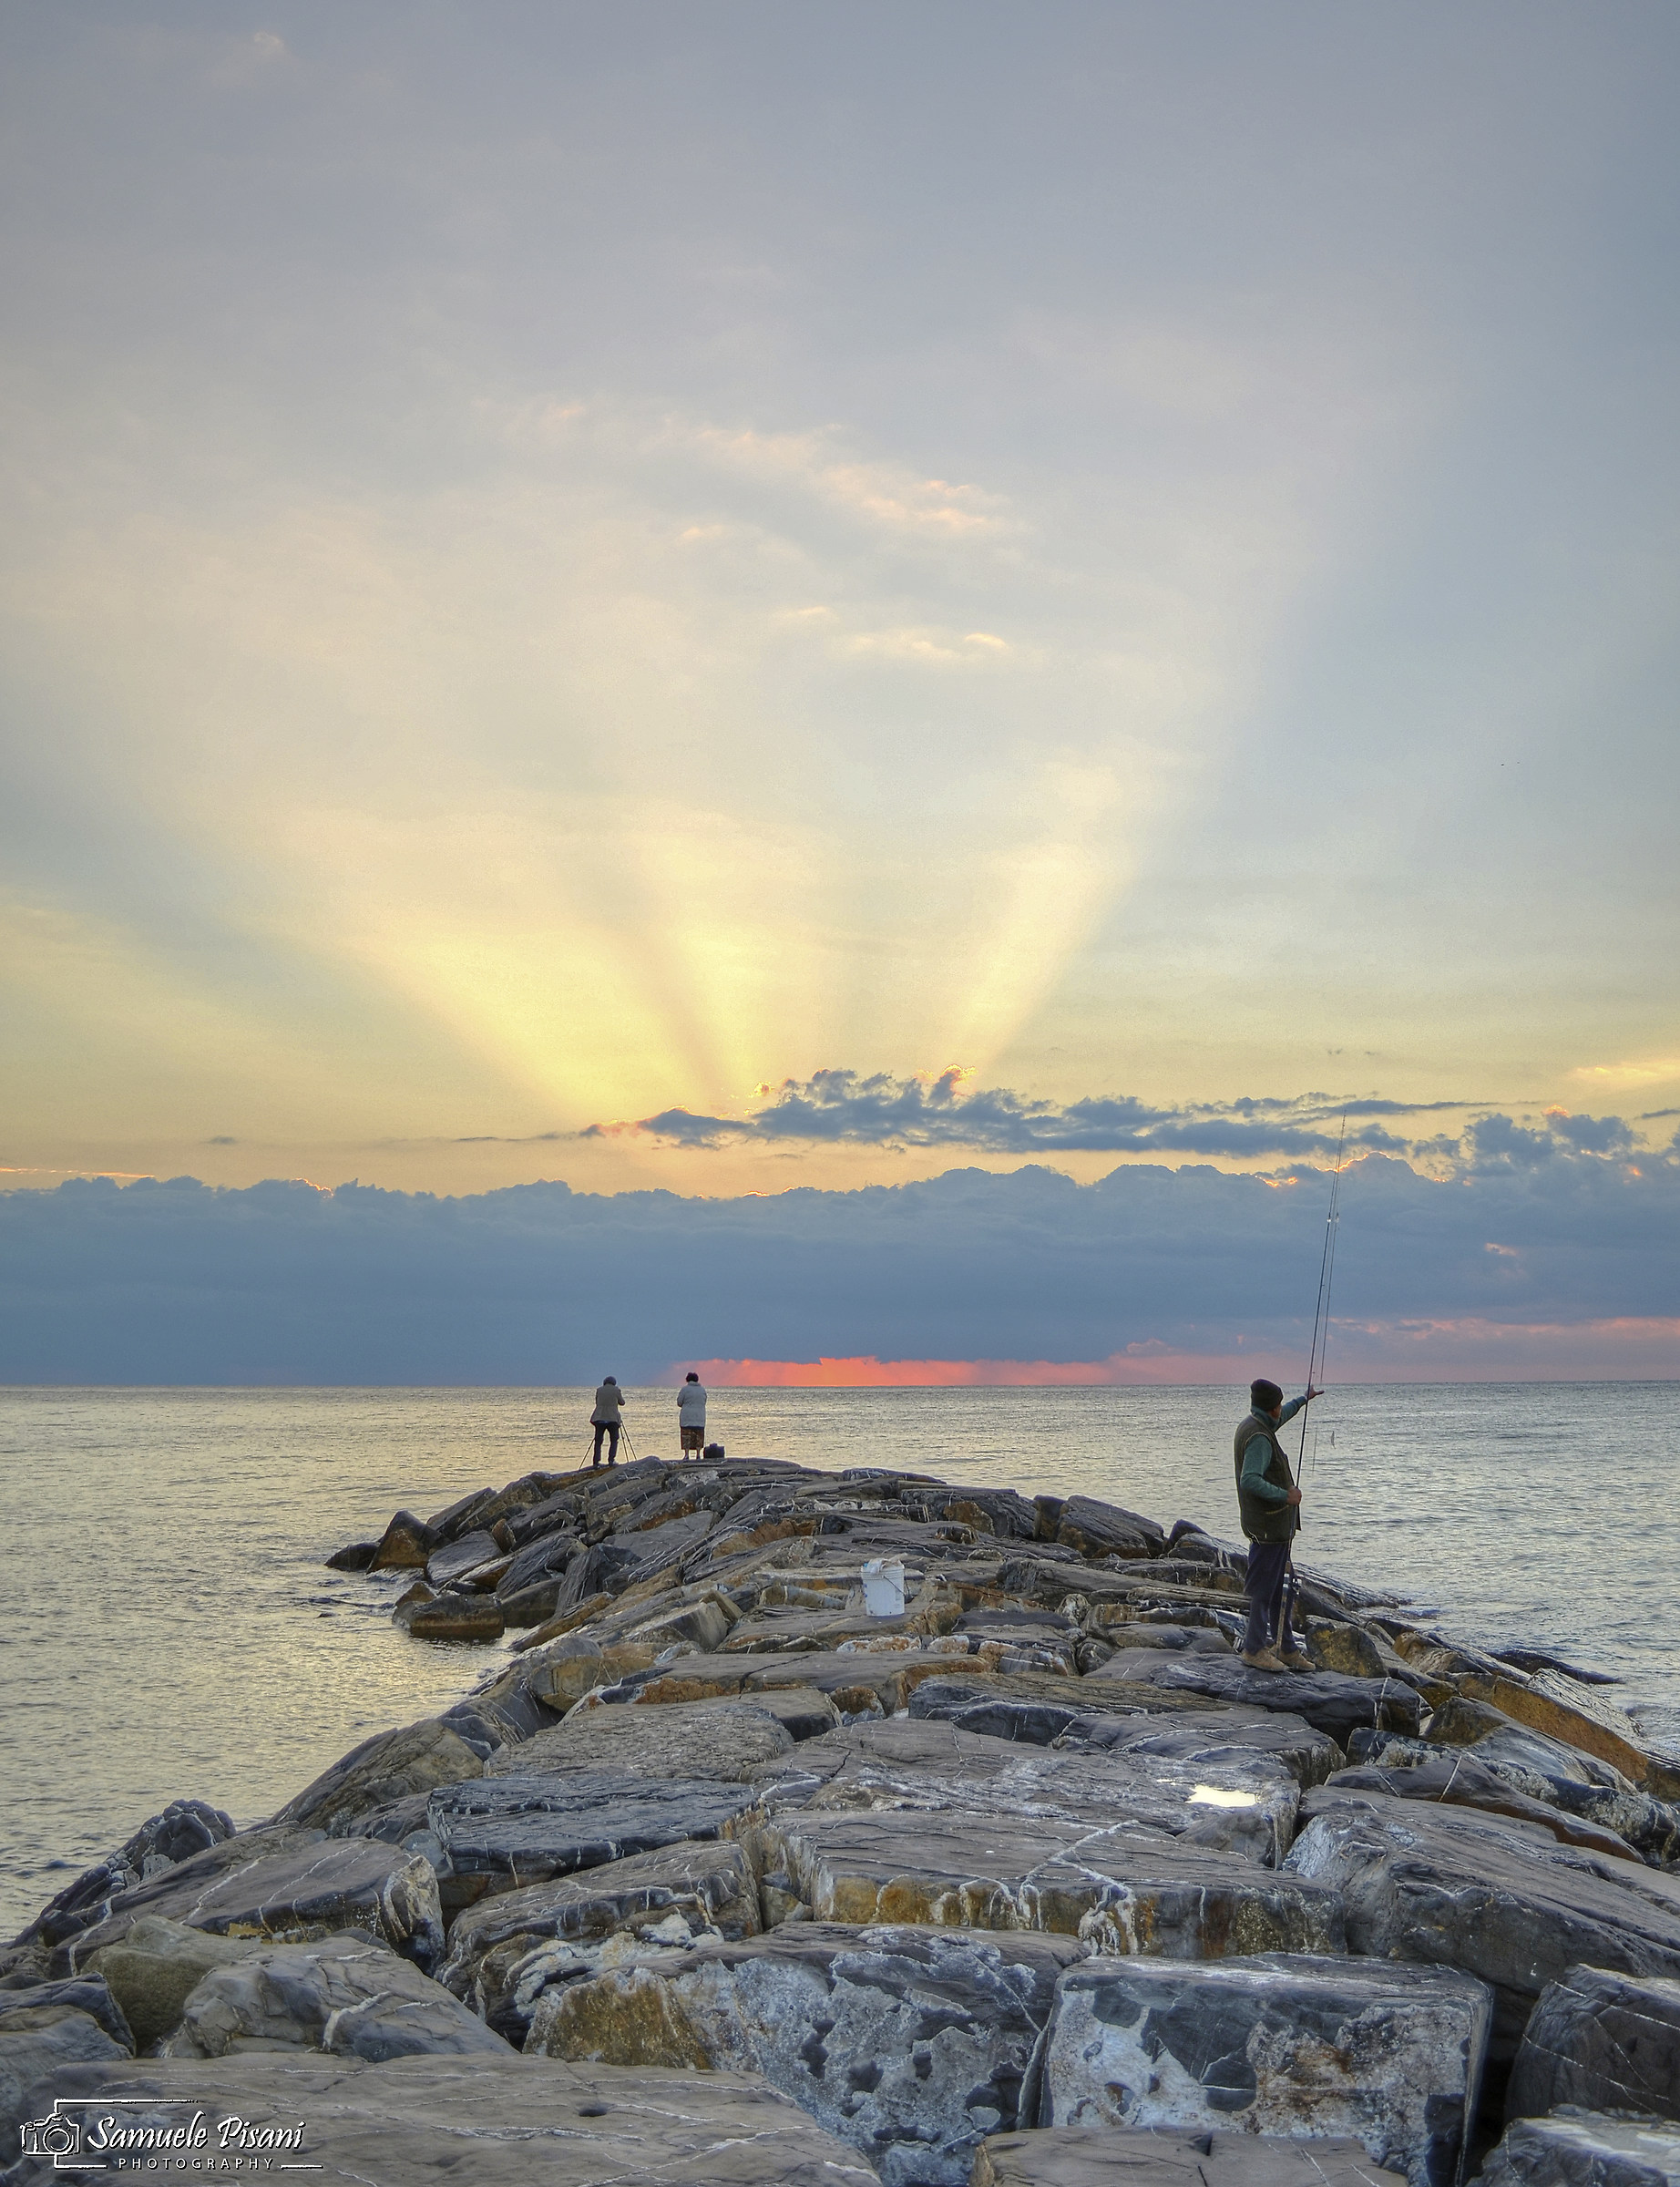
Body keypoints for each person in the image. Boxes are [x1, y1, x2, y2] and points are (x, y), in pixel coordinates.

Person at [1234, 1375, 1318, 1672]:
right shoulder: (1258, 1438)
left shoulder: (1258, 1424)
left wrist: (1304, 1399)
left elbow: (1282, 1418)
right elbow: (1249, 1480)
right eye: (1280, 1404)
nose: (1281, 1410)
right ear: (1271, 1408)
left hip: (1275, 1529)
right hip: (1268, 1528)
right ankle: (1254, 1649)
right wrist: (1286, 1496)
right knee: (1262, 1588)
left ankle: (1285, 1647)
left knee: (1285, 1586)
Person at [590, 1374, 625, 1467]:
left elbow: (597, 1402)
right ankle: (611, 1460)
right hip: (612, 1418)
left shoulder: (599, 1390)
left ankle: (596, 1462)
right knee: (614, 1440)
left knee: (598, 1441)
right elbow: (622, 1402)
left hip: (599, 1417)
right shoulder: (616, 1390)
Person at [677, 1371, 707, 1461]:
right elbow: (704, 1401)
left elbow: (679, 1402)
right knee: (699, 1436)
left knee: (686, 1436)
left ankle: (686, 1455)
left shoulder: (684, 1390)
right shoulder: (702, 1390)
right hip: (699, 1417)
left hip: (687, 1417)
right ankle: (698, 1454)